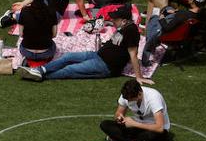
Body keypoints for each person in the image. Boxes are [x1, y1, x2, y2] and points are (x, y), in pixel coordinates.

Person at [20, 5, 150, 83]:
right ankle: (40, 70)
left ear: (124, 20)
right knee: (68, 57)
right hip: (98, 55)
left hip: (106, 66)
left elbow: (133, 54)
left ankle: (42, 77)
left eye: (115, 19)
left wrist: (139, 77)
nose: (112, 20)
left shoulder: (132, 31)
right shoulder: (124, 26)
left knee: (70, 70)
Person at [101, 78, 172, 141]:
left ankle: (119, 139)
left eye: (131, 99)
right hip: (136, 127)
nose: (128, 101)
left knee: (151, 137)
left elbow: (159, 128)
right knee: (105, 124)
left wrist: (134, 124)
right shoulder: (126, 95)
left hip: (153, 128)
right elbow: (118, 114)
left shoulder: (154, 98)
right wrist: (119, 118)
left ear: (139, 94)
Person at [141, 0, 204, 64]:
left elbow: (167, 28)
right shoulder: (201, 13)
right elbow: (183, 15)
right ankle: (164, 5)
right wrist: (175, 12)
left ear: (192, 0)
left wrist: (162, 18)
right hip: (185, 31)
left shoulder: (182, 15)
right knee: (168, 9)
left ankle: (146, 56)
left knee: (154, 18)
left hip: (171, 33)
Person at [15, 0, 59, 65]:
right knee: (54, 46)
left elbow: (21, 34)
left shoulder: (24, 11)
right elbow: (54, 35)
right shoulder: (52, 11)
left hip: (27, 51)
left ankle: (28, 61)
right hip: (46, 52)